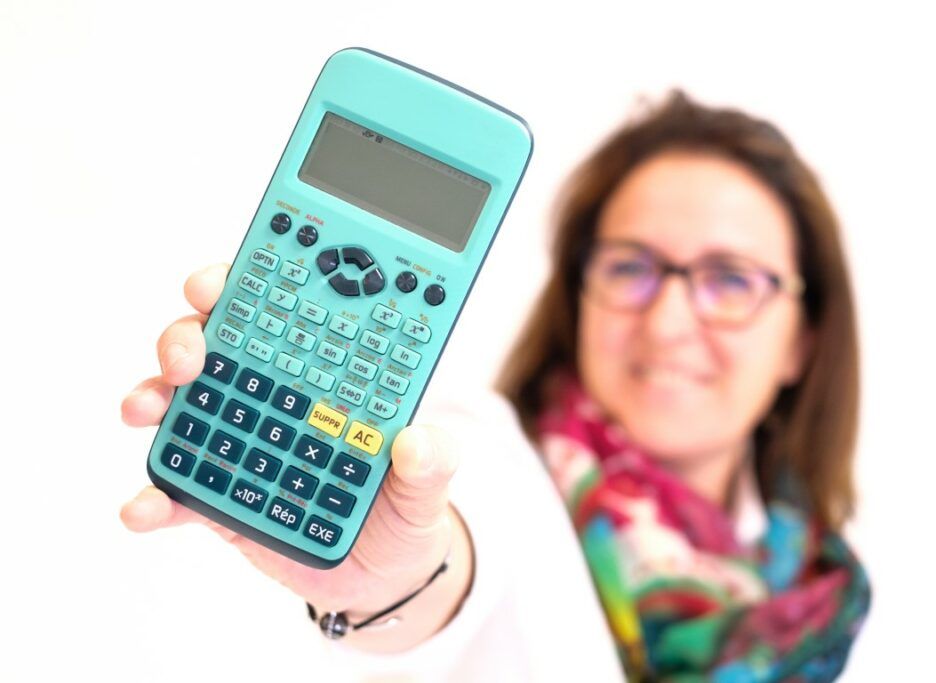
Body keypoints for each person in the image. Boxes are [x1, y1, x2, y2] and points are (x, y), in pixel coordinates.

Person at [120, 89, 871, 681]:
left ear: (802, 342)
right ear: (577, 299)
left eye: (731, 279)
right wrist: (394, 584)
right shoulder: (477, 453)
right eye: (630, 267)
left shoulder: (826, 592)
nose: (670, 321)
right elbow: (463, 549)